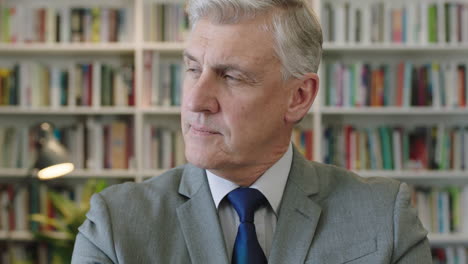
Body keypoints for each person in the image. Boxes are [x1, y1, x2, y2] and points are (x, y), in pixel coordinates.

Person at [72, 0, 432, 263]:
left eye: (231, 76)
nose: (196, 101)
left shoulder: (384, 217)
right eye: (193, 69)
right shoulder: (115, 224)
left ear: (299, 97)